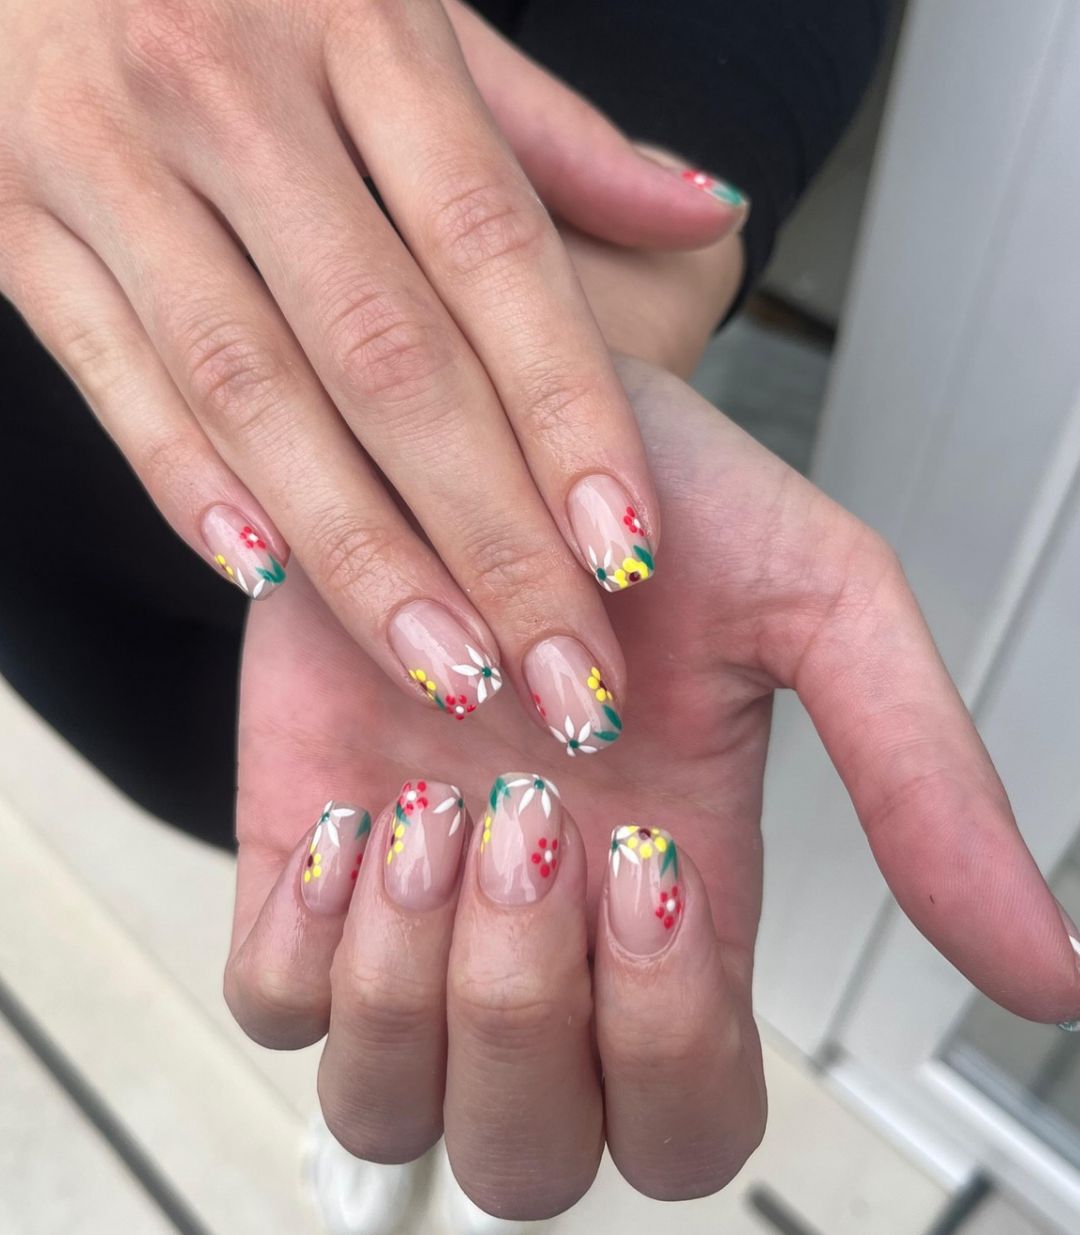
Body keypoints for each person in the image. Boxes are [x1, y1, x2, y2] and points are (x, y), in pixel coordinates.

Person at [11, 0, 1072, 1226]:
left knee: (405, 879)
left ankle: (445, 1022)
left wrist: (563, 359)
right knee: (261, 822)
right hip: (42, 485)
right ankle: (412, 1015)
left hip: (368, 541)